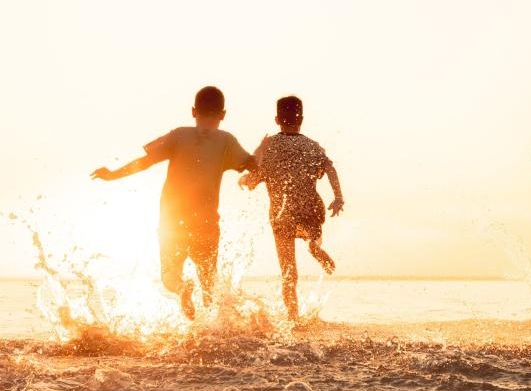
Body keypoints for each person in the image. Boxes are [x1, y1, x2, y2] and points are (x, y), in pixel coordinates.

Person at [92, 86, 254, 319]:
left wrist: (113, 174)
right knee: (209, 283)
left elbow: (145, 162)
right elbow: (254, 166)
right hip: (206, 223)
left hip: (173, 220)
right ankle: (216, 333)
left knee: (170, 275)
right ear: (223, 114)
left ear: (193, 111)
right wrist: (263, 152)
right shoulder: (227, 141)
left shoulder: (179, 135)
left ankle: (182, 289)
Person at [239, 96, 345, 320]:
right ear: (302, 119)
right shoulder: (312, 146)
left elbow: (254, 177)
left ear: (277, 119)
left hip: (281, 215)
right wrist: (338, 197)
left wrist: (245, 181)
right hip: (310, 208)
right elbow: (330, 169)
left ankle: (293, 318)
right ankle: (315, 246)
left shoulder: (270, 148)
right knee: (314, 234)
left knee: (288, 273)